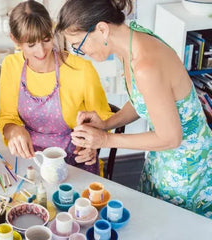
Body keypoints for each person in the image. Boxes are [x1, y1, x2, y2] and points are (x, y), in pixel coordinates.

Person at [55, 0, 212, 218]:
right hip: (163, 158)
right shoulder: (130, 41)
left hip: (187, 167)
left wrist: (105, 140)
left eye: (78, 44)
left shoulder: (146, 65)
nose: (80, 51)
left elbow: (171, 138)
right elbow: (145, 100)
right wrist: (107, 124)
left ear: (102, 29)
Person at [0, 0, 112, 175]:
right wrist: (14, 131)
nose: (42, 51)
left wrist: (92, 143)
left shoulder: (81, 70)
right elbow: (7, 117)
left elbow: (103, 118)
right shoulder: (11, 66)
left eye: (46, 40)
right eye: (31, 45)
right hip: (30, 161)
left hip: (75, 162)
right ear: (15, 40)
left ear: (53, 30)